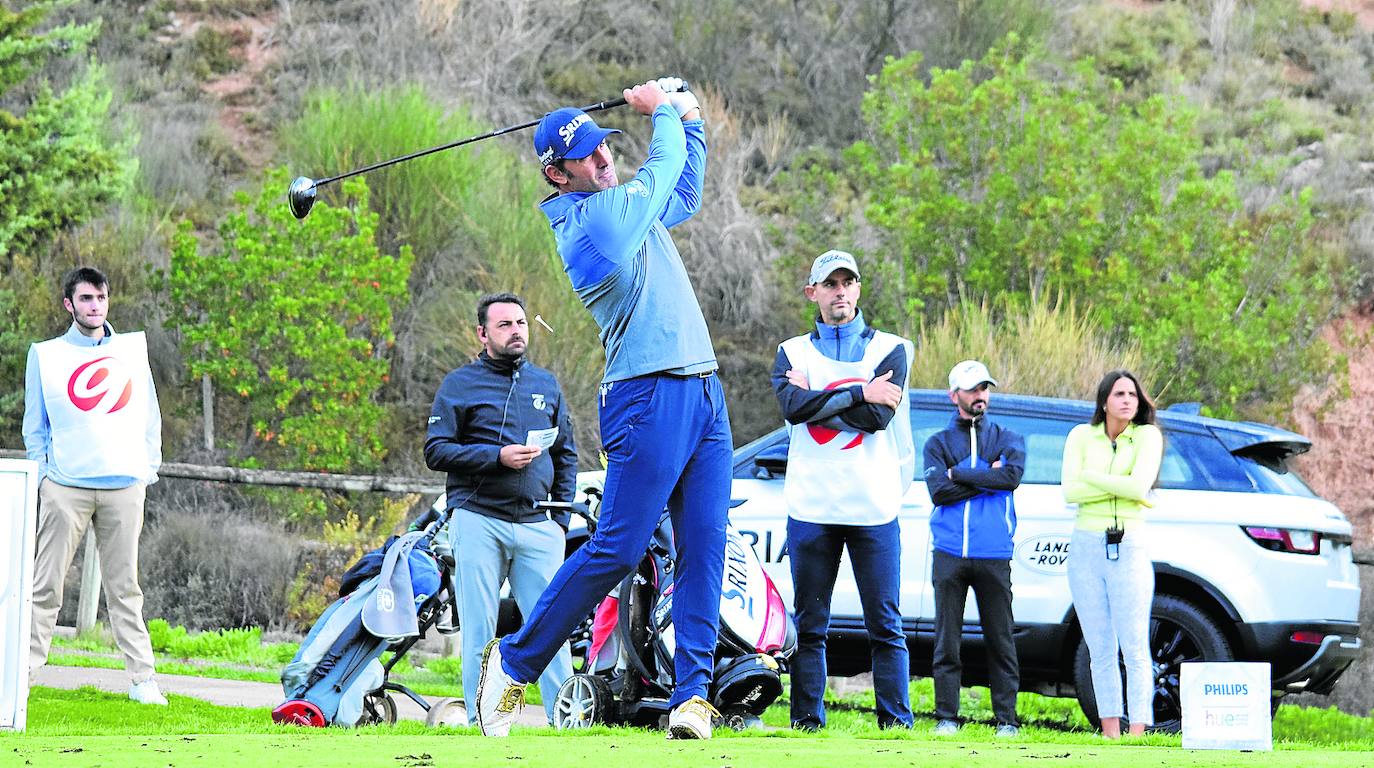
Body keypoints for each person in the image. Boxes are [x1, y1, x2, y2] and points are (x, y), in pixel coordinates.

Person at [474, 78, 733, 740]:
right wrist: (665, 113)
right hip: (647, 394)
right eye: (586, 157)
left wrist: (693, 118)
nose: (602, 160)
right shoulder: (593, 225)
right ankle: (512, 663)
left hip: (703, 390)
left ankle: (691, 697)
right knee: (618, 547)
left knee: (704, 546)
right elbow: (664, 165)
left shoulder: (622, 205)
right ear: (556, 175)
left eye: (604, 148)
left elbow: (685, 190)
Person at [770, 249, 915, 731]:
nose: (840, 292)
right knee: (810, 626)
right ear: (813, 293)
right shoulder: (792, 352)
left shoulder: (891, 349)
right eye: (829, 284)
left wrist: (817, 400)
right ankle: (807, 723)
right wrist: (857, 392)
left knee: (885, 626)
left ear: (858, 288)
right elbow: (792, 408)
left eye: (847, 283)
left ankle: (896, 724)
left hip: (873, 507)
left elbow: (878, 419)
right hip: (811, 505)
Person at [424, 292, 577, 727]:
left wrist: (558, 521)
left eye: (521, 323)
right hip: (478, 521)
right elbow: (436, 450)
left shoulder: (546, 384)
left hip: (537, 526)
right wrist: (496, 457)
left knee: (552, 628)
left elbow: (566, 455)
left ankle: (566, 725)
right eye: (505, 324)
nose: (516, 331)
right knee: (480, 630)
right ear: (483, 333)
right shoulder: (459, 383)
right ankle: (480, 721)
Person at [23, 266, 166, 705]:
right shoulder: (46, 356)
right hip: (66, 486)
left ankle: (143, 680)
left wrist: (146, 471)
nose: (95, 306)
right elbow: (35, 427)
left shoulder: (129, 350)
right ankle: (20, 675)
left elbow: (148, 416)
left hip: (124, 485)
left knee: (125, 588)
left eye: (101, 298)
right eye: (86, 299)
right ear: (69, 304)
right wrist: (45, 477)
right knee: (46, 585)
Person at [923, 360, 1025, 737]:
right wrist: (989, 477)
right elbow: (938, 492)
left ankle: (1007, 721)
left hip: (995, 553)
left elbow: (1011, 477)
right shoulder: (938, 443)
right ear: (955, 396)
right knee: (946, 640)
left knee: (1001, 639)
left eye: (984, 388)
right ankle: (947, 717)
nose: (980, 395)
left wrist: (959, 473)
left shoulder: (1007, 437)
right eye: (972, 389)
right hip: (949, 552)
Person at [1062, 369, 1164, 739]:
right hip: (1087, 545)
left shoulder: (1147, 436)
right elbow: (1070, 493)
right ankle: (1110, 730)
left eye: (1133, 395)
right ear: (1104, 400)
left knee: (1135, 645)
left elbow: (1140, 485)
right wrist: (1124, 490)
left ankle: (1138, 729)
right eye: (1119, 394)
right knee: (1099, 646)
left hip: (1130, 544)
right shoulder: (1081, 436)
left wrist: (1092, 477)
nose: (1127, 400)